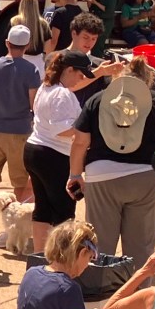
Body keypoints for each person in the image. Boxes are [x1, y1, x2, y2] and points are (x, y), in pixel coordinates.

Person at [68, 56, 155, 264]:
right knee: (141, 246)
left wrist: (75, 175)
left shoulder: (98, 100)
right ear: (148, 80)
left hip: (101, 176)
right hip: (145, 177)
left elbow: (80, 143)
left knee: (98, 243)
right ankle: (138, 292)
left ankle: (98, 291)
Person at [26, 50, 95, 247]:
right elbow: (62, 129)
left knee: (43, 208)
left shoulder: (46, 88)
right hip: (53, 155)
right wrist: (86, 130)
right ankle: (61, 257)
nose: (80, 79)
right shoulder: (62, 93)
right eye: (80, 74)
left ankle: (40, 255)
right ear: (69, 70)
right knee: (64, 211)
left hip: (35, 149)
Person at [0, 24, 41, 198]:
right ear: (27, 45)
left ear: (7, 43)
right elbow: (34, 104)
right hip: (20, 132)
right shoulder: (31, 70)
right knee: (21, 184)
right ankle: (20, 222)